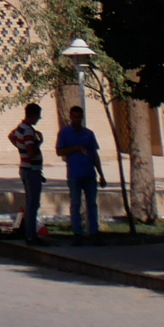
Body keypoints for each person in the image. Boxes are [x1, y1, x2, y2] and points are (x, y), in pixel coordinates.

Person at [55, 103, 104, 243]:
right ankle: (77, 232)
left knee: (92, 204)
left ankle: (93, 231)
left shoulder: (88, 134)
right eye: (74, 117)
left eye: (79, 117)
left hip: (89, 174)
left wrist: (101, 174)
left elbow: (95, 155)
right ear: (70, 117)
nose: (77, 120)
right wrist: (75, 149)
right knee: (76, 203)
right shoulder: (64, 133)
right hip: (75, 174)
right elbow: (59, 151)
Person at [8, 103, 46, 241]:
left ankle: (29, 232)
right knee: (33, 204)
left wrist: (20, 148)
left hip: (24, 168)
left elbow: (11, 136)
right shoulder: (29, 131)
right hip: (31, 170)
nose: (39, 119)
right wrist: (39, 143)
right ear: (34, 115)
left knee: (30, 202)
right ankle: (31, 235)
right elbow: (31, 152)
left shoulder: (20, 128)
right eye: (38, 116)